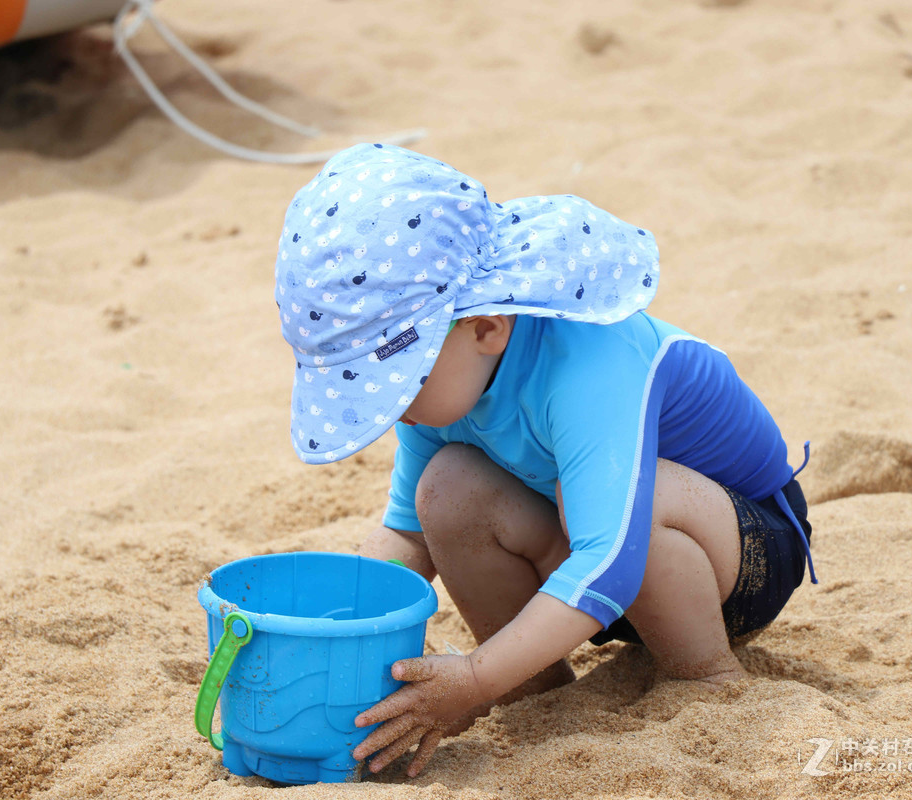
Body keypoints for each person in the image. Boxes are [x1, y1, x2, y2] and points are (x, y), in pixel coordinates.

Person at [273, 143, 815, 779]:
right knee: (448, 488)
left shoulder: (588, 360)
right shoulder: (445, 393)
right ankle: (540, 689)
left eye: (399, 381)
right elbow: (407, 535)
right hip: (603, 574)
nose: (389, 409)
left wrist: (472, 679)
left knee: (625, 497)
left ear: (485, 327)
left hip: (740, 561)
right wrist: (327, 627)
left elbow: (608, 557)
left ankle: (706, 677)